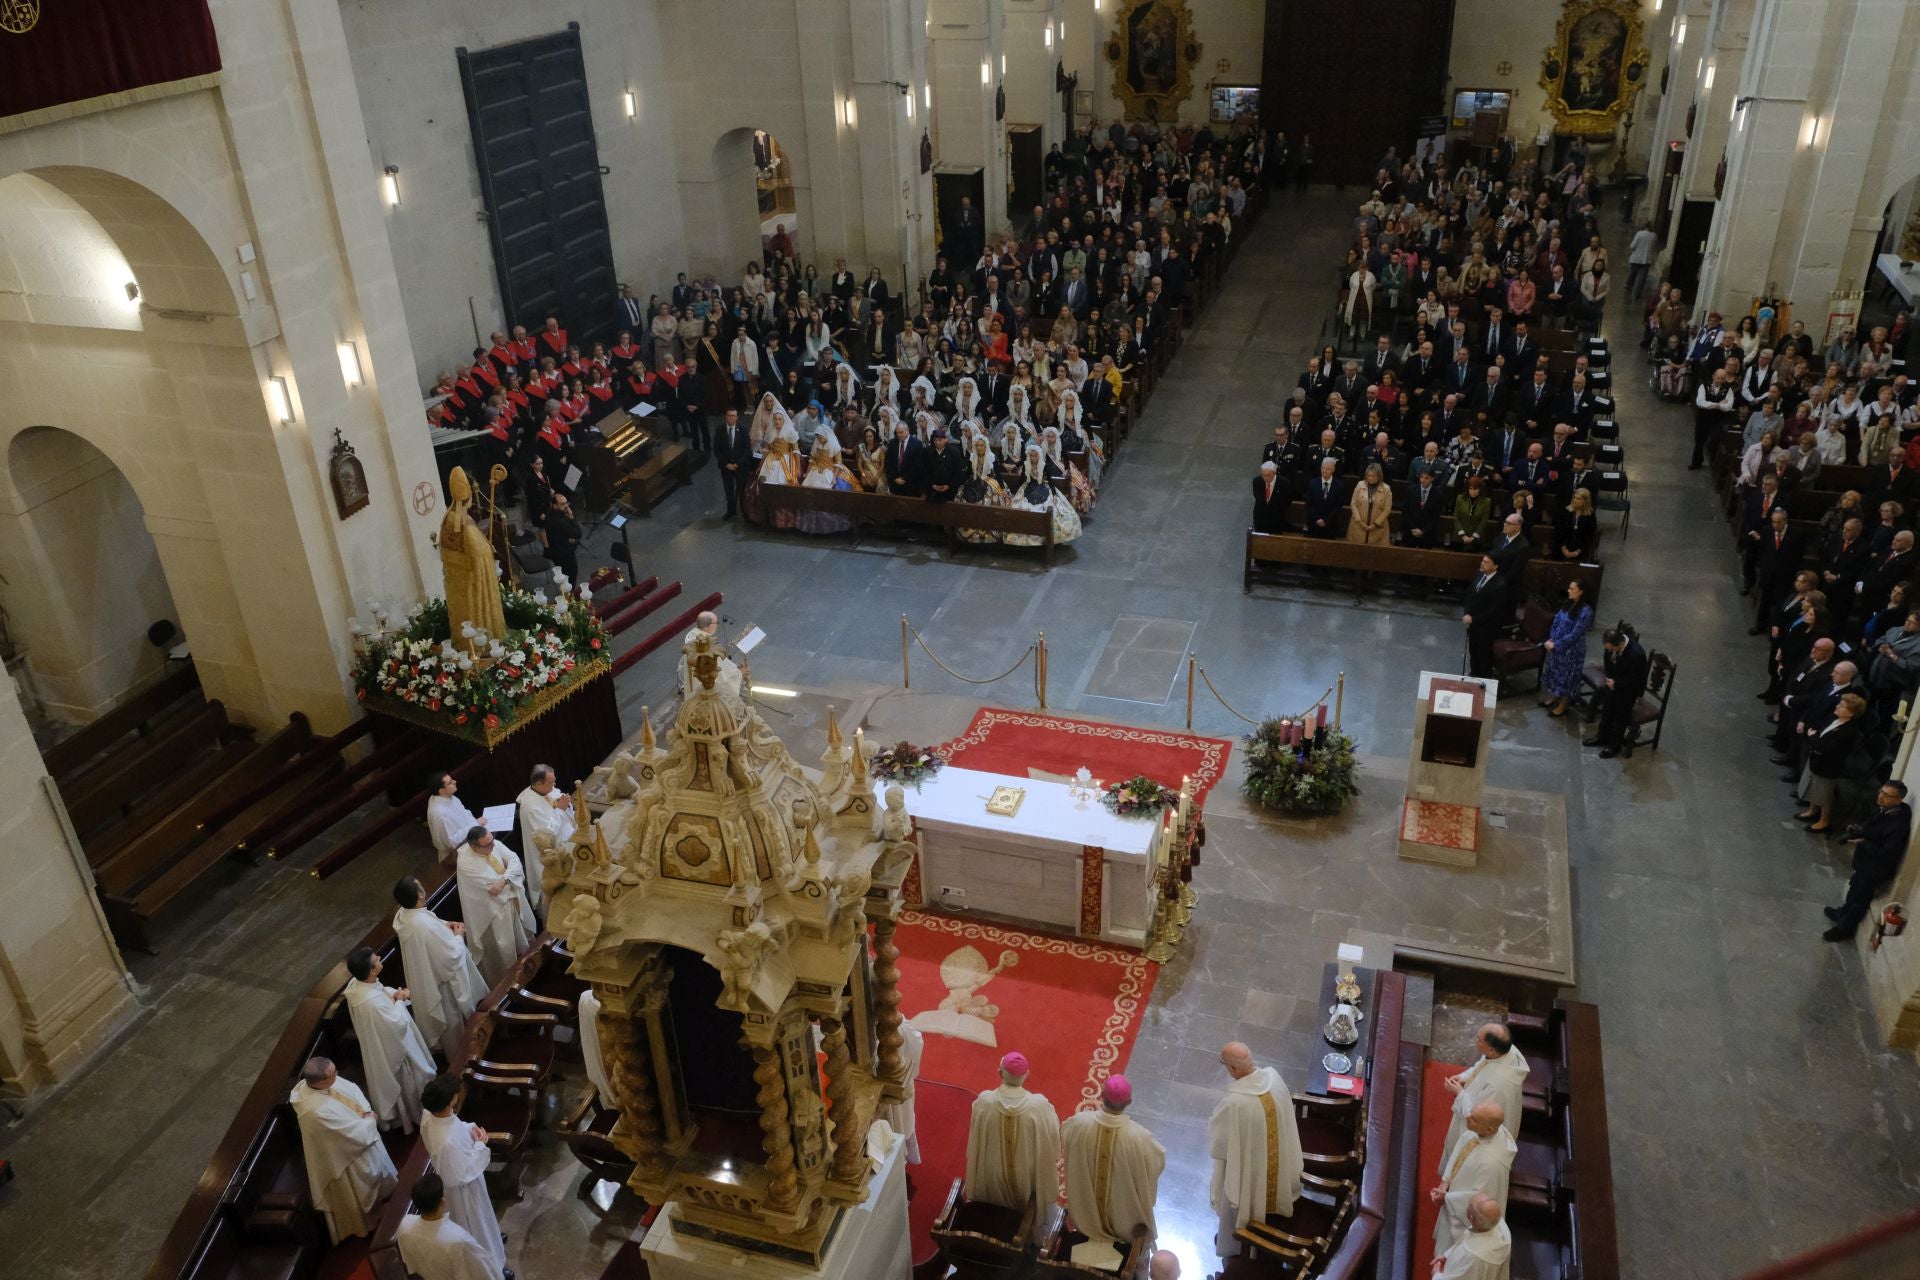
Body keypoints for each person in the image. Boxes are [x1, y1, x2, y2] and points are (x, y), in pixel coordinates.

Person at [1206, 1041, 1303, 1257]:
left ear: (1233, 1069)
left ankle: (1243, 1240)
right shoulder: (1274, 1078)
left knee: (1244, 1195)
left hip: (1251, 1167)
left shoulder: (1235, 1103)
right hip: (1281, 1162)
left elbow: (1219, 1145)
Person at [290, 1056, 398, 1244]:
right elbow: (347, 1134)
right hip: (346, 1155)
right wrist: (369, 1121)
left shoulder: (317, 1084)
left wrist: (365, 1111)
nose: (338, 1075)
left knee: (377, 1173)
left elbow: (352, 1089)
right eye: (334, 1074)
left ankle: (383, 1202)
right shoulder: (314, 1112)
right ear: (321, 1081)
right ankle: (370, 1223)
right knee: (361, 1186)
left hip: (360, 1135)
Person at [419, 1076, 508, 1279]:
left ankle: (493, 1241)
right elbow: (459, 1175)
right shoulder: (447, 1144)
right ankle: (493, 1265)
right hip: (464, 1191)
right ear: (451, 1101)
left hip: (463, 1181)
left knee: (485, 1221)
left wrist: (469, 1129)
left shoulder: (430, 1114)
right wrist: (480, 1144)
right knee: (477, 1226)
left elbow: (453, 1126)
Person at [1062, 1074, 1165, 1248]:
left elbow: (1065, 1140)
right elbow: (1156, 1164)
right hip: (1124, 1222)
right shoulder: (1140, 1138)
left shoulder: (1079, 1123)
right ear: (1130, 1101)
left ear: (1101, 1096)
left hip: (1083, 1216)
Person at [392, 876, 486, 1062]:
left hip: (426, 977)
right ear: (420, 895)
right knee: (454, 1024)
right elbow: (449, 958)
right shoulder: (423, 926)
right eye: (420, 886)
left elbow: (430, 922)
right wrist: (458, 936)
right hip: (443, 984)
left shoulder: (404, 915)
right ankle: (465, 1062)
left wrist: (445, 925)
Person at [342, 947, 436, 1132]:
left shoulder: (357, 985)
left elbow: (379, 990)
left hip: (382, 1039)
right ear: (372, 971)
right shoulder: (372, 1003)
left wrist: (392, 994)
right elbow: (397, 1025)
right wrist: (400, 999)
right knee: (410, 1078)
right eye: (375, 959)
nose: (379, 957)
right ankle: (418, 1114)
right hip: (393, 1046)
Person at [963, 1050, 1061, 1211]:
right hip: (1026, 1175)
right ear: (1027, 1074)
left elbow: (975, 1136)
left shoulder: (984, 1101)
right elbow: (1052, 1141)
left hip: (990, 1174)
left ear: (999, 1072)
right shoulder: (1039, 1106)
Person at [1825, 782, 1913, 939]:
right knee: (1853, 890)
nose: (1880, 796)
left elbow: (1888, 853)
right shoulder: (1885, 809)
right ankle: (1842, 913)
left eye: (1887, 795)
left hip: (1874, 869)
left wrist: (1863, 842)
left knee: (1860, 899)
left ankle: (1844, 929)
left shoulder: (1898, 824)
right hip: (1865, 862)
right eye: (1881, 791)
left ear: (1899, 800)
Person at [1430, 1099, 1516, 1256]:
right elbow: (1461, 1148)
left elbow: (1480, 1200)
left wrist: (1448, 1198)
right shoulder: (1483, 1130)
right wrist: (1445, 1182)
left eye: (1474, 1119)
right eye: (1472, 1114)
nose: (1468, 1118)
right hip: (1453, 1191)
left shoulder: (1491, 1164)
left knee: (1449, 1254)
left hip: (1461, 1213)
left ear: (1489, 1129)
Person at [456, 825, 536, 983]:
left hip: (511, 902)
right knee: (504, 951)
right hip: (493, 912)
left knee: (524, 942)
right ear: (474, 847)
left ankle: (532, 966)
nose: (493, 846)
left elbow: (514, 860)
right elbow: (493, 889)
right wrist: (509, 877)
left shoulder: (492, 844)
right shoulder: (466, 863)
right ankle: (509, 983)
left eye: (492, 841)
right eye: (487, 845)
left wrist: (505, 879)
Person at [394, 1173, 507, 1280]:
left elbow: (409, 1263)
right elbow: (482, 1273)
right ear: (443, 1201)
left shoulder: (404, 1224)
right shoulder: (457, 1240)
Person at [1441, 1024, 1528, 1154]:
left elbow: (1477, 1117)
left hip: (1480, 1137)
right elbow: (1482, 1065)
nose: (1475, 1040)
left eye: (1478, 1039)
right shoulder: (1504, 1051)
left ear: (1491, 1050)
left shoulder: (1497, 1086)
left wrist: (1459, 1093)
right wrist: (1464, 1077)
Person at [1795, 692, 1866, 833]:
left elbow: (1826, 747)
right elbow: (1820, 732)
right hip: (1818, 759)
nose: (1838, 706)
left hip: (1828, 766)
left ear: (1850, 714)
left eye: (1842, 706)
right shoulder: (1834, 718)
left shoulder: (1848, 732)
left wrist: (1812, 738)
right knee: (1814, 787)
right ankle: (1812, 810)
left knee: (1824, 794)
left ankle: (1824, 821)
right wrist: (1815, 738)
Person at [515, 764, 576, 912]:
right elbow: (546, 835)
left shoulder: (548, 791)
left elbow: (563, 810)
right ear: (539, 784)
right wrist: (560, 810)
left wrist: (566, 806)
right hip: (550, 855)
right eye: (551, 782)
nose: (555, 785)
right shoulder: (530, 808)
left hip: (568, 843)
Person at [1587, 628, 1649, 758]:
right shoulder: (1612, 645)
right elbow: (1607, 659)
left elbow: (1635, 679)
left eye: (1611, 649)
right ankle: (1602, 737)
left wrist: (1617, 684)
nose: (1609, 651)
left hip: (1628, 690)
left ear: (1620, 644)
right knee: (1607, 711)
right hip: (1614, 683)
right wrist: (1610, 678)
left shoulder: (1636, 655)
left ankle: (1614, 746)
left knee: (1620, 717)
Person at [1538, 579, 1593, 718]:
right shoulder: (1568, 604)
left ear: (1581, 592)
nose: (1568, 591)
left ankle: (1564, 703)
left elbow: (1575, 634)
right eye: (1569, 588)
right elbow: (1556, 621)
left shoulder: (1586, 611)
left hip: (1571, 651)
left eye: (1572, 589)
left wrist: (1556, 644)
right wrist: (1551, 639)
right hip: (1556, 646)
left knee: (1567, 677)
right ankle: (1554, 696)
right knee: (1554, 673)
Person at [1432, 1193, 1511, 1280]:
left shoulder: (1472, 1256)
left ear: (1471, 1217)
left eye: (1469, 1204)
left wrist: (1437, 1275)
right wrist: (1447, 1255)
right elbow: (1468, 1239)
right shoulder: (1497, 1224)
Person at [880, 1019, 925, 1165]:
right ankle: (899, 1160)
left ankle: (897, 1161)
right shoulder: (900, 1026)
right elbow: (916, 1044)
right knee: (900, 1122)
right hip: (897, 1084)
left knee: (893, 1125)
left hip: (894, 1086)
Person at [1463, 556, 1508, 679]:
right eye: (1482, 561)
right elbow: (1469, 595)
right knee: (1474, 651)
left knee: (1484, 655)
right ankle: (1474, 674)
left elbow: (1494, 610)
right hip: (1473, 625)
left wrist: (1474, 619)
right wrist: (1467, 612)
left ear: (1495, 566)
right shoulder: (1479, 575)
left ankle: (1483, 680)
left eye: (1487, 562)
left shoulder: (1500, 584)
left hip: (1487, 627)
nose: (1483, 564)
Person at [426, 771, 478, 865]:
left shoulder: (447, 796)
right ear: (441, 791)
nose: (455, 781)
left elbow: (465, 812)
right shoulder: (439, 814)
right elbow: (451, 843)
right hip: (455, 856)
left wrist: (476, 825)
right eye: (450, 782)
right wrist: (475, 824)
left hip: (471, 839)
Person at [716, 407, 752, 518]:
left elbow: (747, 450)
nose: (731, 418)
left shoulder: (743, 429)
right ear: (726, 416)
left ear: (737, 417)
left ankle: (744, 511)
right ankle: (730, 511)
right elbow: (717, 449)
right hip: (726, 467)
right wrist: (726, 464)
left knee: (742, 489)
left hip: (740, 466)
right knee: (729, 490)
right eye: (729, 415)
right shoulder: (720, 429)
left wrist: (737, 464)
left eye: (734, 416)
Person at [1347, 462, 1392, 545]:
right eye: (1369, 475)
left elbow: (1387, 509)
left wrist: (1375, 524)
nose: (1370, 478)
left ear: (1379, 476)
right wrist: (1360, 522)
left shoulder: (1386, 489)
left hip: (1377, 527)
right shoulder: (1360, 485)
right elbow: (1353, 504)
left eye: (1373, 476)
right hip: (1359, 525)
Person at [1303, 457, 1344, 537]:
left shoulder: (1339, 486)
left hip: (1330, 525)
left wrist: (1326, 521)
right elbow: (1309, 504)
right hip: (1314, 524)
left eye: (1328, 469)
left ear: (1333, 470)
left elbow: (1338, 507)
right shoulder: (1313, 483)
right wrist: (1317, 519)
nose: (1324, 471)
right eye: (1323, 468)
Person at [1251, 461, 1292, 534]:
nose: (1265, 478)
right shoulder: (1257, 481)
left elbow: (1288, 500)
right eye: (1263, 475)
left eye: (1268, 475)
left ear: (1274, 473)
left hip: (1276, 520)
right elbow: (1258, 497)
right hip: (1260, 518)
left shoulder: (1284, 484)